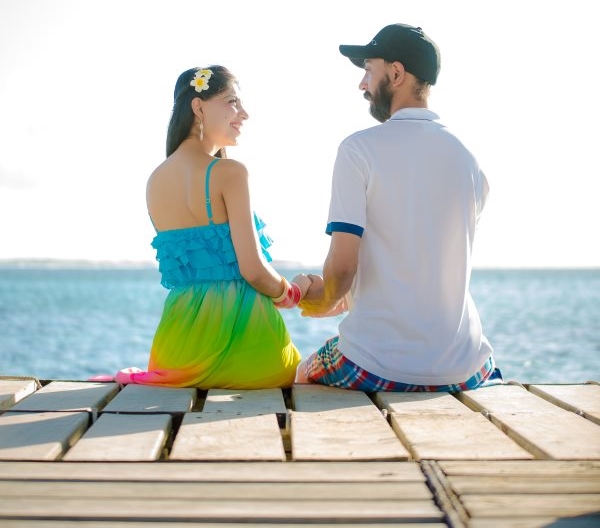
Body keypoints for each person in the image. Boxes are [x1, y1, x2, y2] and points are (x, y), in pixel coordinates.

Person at [297, 23, 502, 392]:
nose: (362, 84)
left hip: (377, 365)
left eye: (368, 71)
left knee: (301, 374)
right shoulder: (468, 160)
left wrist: (322, 300)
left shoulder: (358, 150)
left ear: (395, 73)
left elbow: (342, 268)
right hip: (466, 368)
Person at [95, 65, 313, 388]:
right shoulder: (230, 173)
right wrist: (293, 292)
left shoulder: (155, 180)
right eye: (233, 102)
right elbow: (253, 271)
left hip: (177, 356)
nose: (244, 114)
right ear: (198, 107)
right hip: (250, 355)